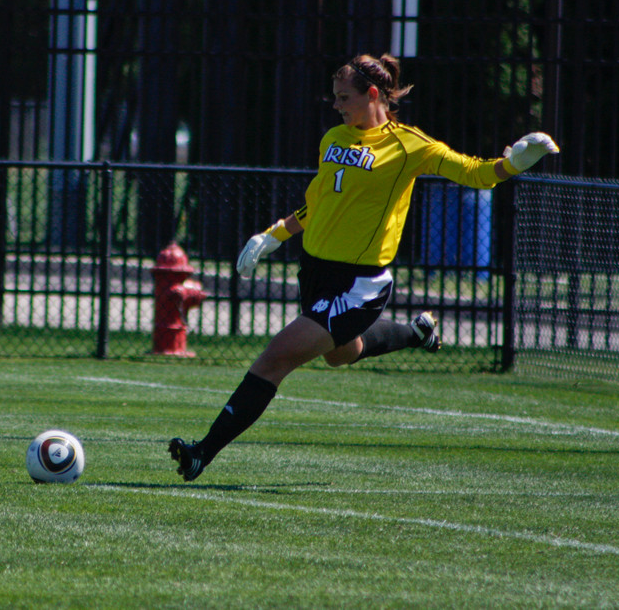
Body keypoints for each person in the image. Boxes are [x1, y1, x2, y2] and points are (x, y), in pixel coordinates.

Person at [168, 53, 559, 482]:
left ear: (373, 94)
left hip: (358, 284)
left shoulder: (409, 145)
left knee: (274, 359)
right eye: (335, 97)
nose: (336, 105)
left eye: (344, 97)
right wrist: (273, 235)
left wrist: (513, 164)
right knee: (340, 354)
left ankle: (202, 452)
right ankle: (415, 333)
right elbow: (319, 202)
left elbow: (473, 172)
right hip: (315, 272)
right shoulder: (334, 137)